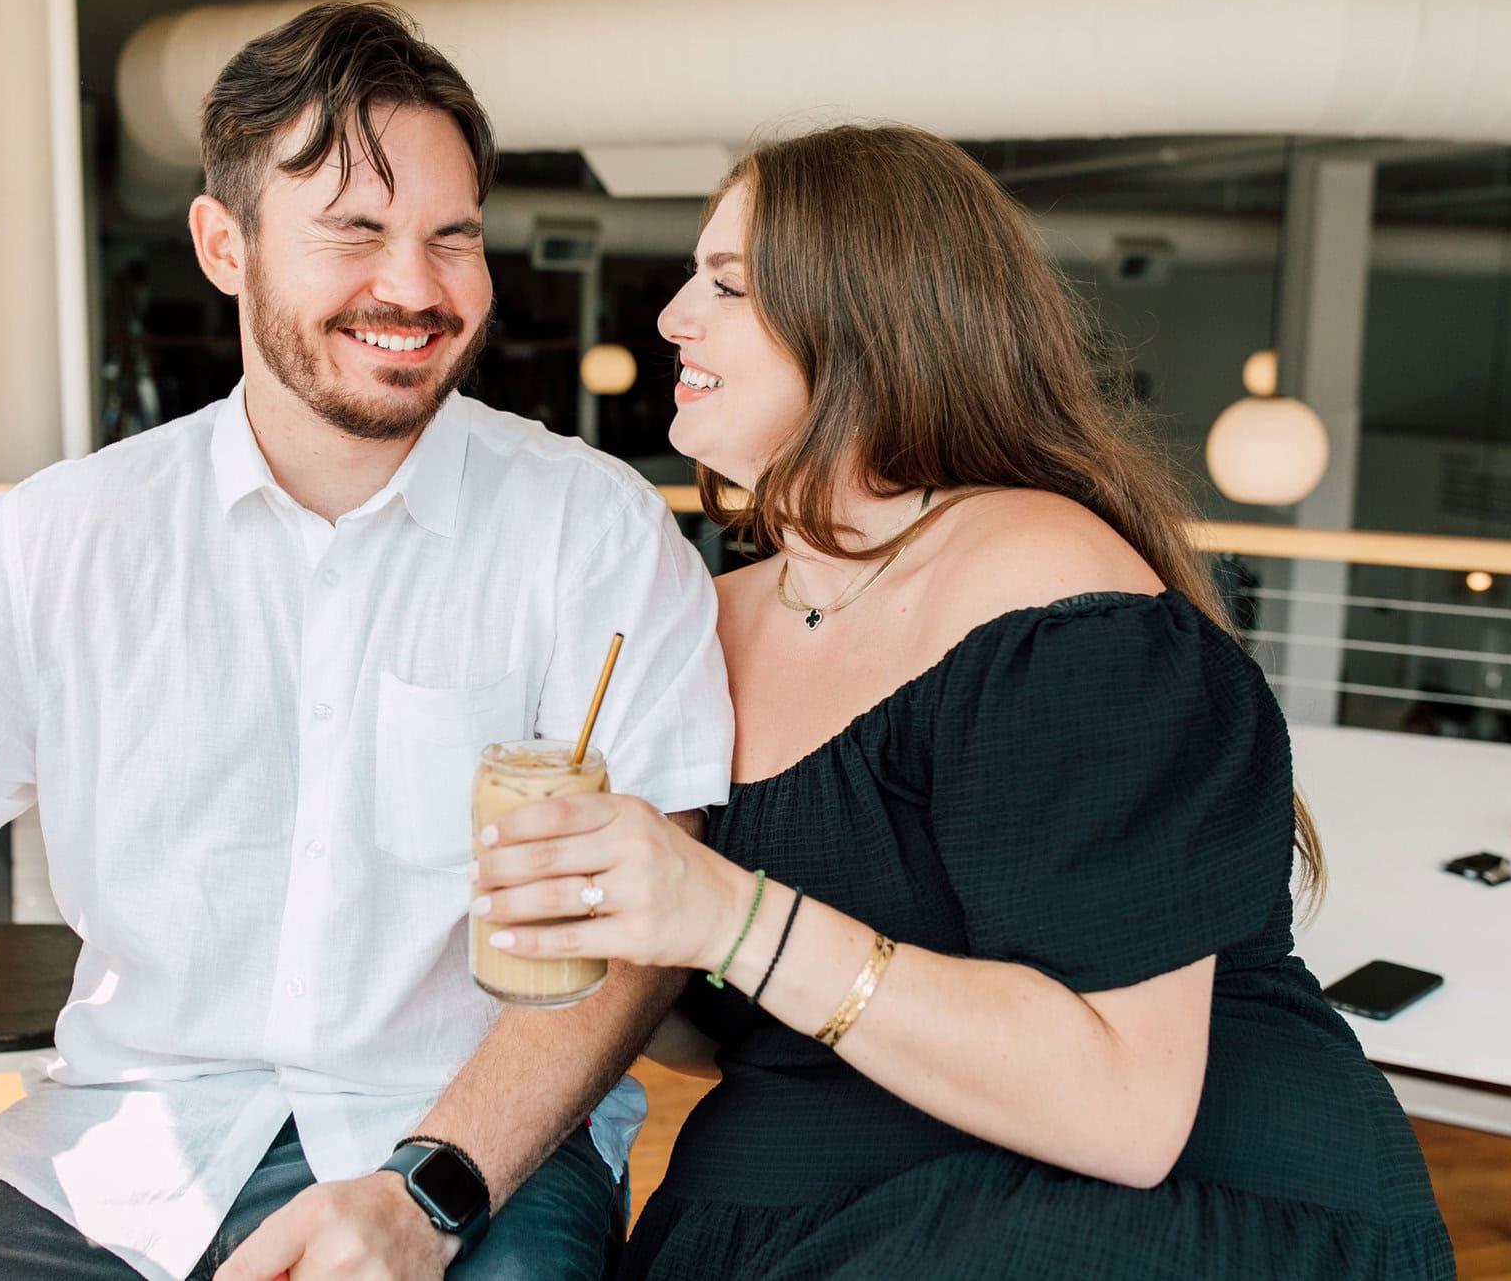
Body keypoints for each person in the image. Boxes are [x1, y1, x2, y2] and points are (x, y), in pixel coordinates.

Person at [0, 3, 732, 1281]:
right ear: (222, 245)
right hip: (119, 1151)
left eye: (449, 235)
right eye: (355, 230)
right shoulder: (69, 535)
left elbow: (642, 924)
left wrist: (426, 1190)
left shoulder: (595, 532)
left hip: (471, 1153)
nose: (414, 285)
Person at [472, 125, 1457, 1279]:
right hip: (794, 1207)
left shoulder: (1049, 596)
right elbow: (736, 1015)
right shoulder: (699, 618)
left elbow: (1126, 1114)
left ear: (867, 319)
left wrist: (722, 912)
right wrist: (607, 924)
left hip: (1145, 1213)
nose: (672, 315)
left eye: (727, 284)